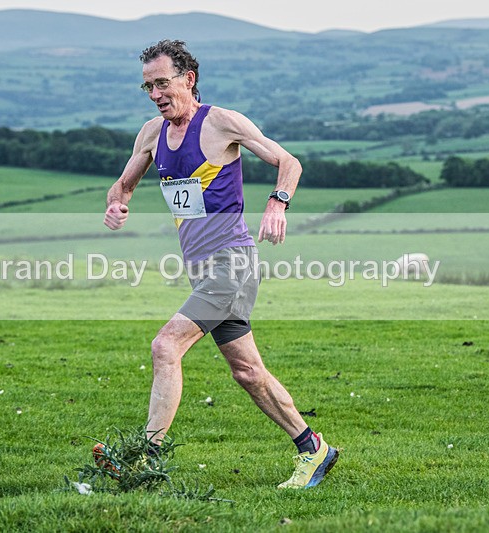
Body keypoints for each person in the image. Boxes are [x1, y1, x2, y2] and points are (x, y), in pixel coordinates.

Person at [102, 39, 338, 489]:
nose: (155, 93)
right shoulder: (151, 133)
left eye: (163, 83)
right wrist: (117, 205)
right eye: (148, 86)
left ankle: (144, 458)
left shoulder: (222, 123)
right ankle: (314, 450)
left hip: (232, 263)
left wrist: (277, 203)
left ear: (188, 79)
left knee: (165, 346)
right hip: (201, 269)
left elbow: (288, 161)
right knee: (247, 371)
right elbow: (123, 186)